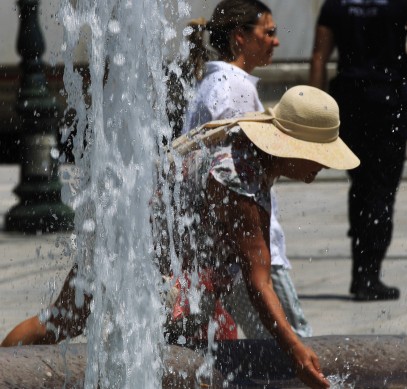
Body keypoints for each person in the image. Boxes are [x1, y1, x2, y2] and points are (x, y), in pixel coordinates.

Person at [3, 85, 358, 389]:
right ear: (291, 144)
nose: (323, 164)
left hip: (126, 236)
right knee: (82, 326)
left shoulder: (246, 147)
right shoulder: (241, 181)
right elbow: (258, 281)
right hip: (140, 254)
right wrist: (295, 348)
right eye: (317, 155)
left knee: (61, 320)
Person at [181, 0, 312, 338]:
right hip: (246, 249)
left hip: (227, 250)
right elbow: (233, 174)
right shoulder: (233, 88)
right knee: (292, 344)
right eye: (268, 33)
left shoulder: (218, 84)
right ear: (240, 37)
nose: (276, 41)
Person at [309, 0, 407, 301]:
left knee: (361, 185)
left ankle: (361, 273)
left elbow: (319, 58)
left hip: (349, 102)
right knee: (382, 190)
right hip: (387, 101)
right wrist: (401, 63)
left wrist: (314, 109)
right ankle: (369, 275)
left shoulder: (335, 4)